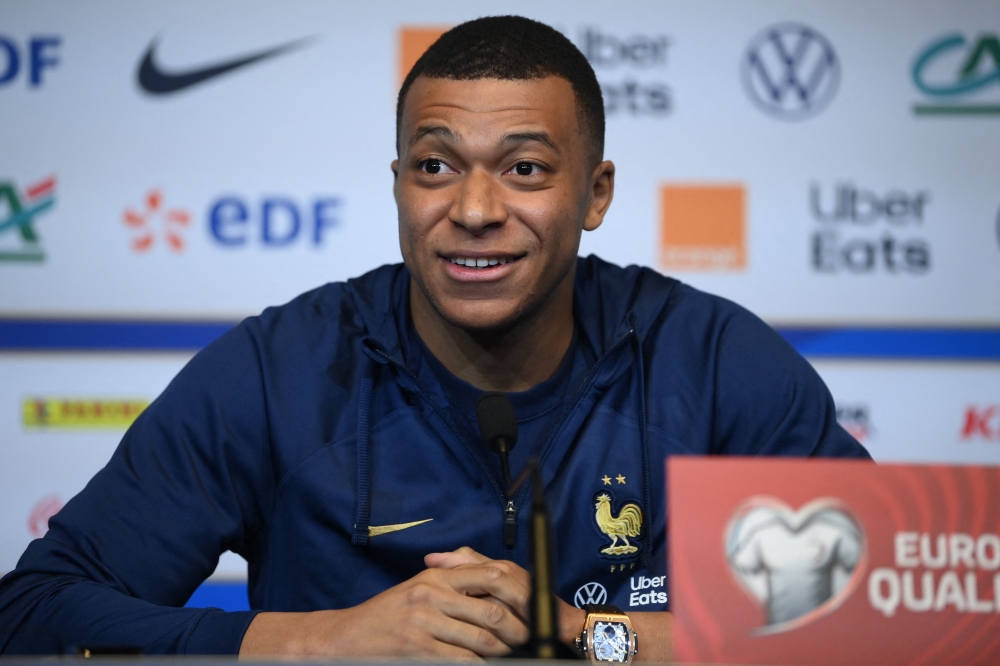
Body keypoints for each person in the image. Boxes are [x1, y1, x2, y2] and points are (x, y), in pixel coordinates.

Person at [0, 15, 869, 660]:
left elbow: (872, 622)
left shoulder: (713, 363)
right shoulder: (279, 372)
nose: (475, 211)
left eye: (524, 168)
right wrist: (325, 643)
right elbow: (34, 612)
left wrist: (581, 633)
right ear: (398, 186)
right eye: (436, 166)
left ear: (595, 195)